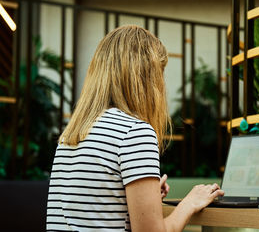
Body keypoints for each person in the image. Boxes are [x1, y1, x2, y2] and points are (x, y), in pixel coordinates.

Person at [46, 25, 224, 231]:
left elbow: (92, 210)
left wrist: (139, 196)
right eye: (159, 73)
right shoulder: (134, 132)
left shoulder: (71, 134)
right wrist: (190, 203)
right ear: (146, 79)